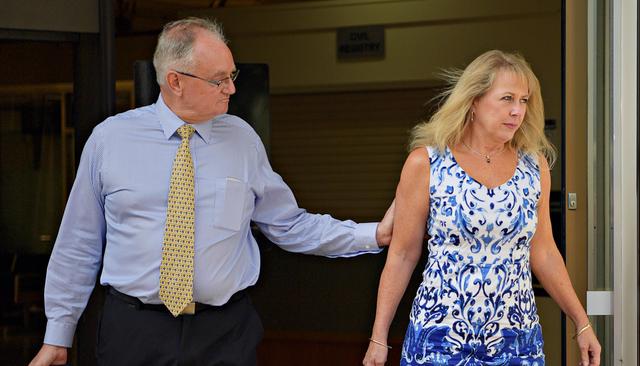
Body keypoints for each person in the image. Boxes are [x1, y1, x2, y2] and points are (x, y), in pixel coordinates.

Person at [29, 17, 394, 366]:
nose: (232, 89)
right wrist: (57, 335)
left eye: (231, 76)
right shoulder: (109, 140)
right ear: (176, 81)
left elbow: (289, 224)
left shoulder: (242, 140)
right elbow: (79, 243)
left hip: (225, 333)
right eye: (219, 80)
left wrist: (372, 234)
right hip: (134, 331)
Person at [362, 50, 600, 366]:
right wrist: (379, 337)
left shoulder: (535, 167)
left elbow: (543, 251)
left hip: (516, 341)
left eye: (524, 101)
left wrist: (581, 322)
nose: (517, 111)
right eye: (507, 99)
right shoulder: (428, 163)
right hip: (439, 340)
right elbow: (403, 254)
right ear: (474, 101)